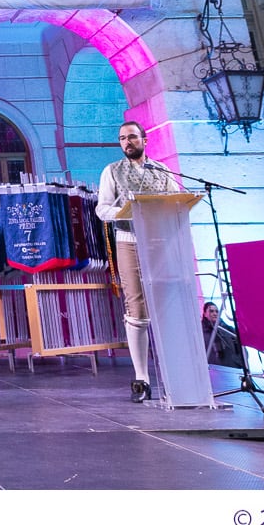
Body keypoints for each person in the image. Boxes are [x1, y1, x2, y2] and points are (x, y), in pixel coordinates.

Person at [93, 119, 181, 402]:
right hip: (129, 240)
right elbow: (102, 209)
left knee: (167, 302)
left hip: (161, 241)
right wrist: (128, 211)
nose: (127, 142)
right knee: (136, 305)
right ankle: (142, 377)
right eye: (122, 138)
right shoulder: (112, 171)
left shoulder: (162, 169)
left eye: (131, 137)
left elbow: (177, 198)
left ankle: (175, 371)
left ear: (144, 139)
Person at [201, 301, 241, 368]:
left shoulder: (227, 329)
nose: (215, 314)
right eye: (211, 311)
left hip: (232, 368)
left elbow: (241, 346)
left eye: (217, 311)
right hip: (212, 369)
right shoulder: (201, 333)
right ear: (205, 314)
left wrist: (238, 362)